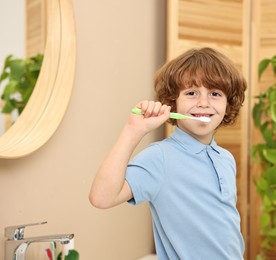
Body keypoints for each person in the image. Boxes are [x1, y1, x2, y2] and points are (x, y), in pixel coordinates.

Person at [89, 47, 247, 260]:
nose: (203, 102)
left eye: (215, 94)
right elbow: (101, 198)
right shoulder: (160, 157)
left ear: (228, 104)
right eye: (191, 93)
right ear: (173, 103)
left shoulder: (225, 158)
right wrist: (133, 131)